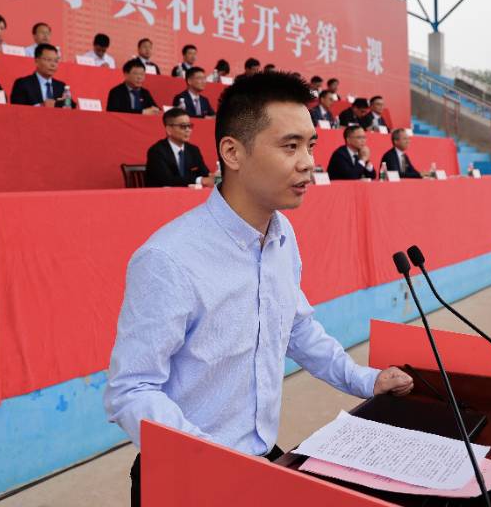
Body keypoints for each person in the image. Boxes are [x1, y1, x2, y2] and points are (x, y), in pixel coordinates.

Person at [105, 71, 413, 507]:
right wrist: (213, 461)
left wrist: (366, 380)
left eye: (310, 146)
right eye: (290, 146)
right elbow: (131, 390)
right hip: (187, 476)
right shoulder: (169, 259)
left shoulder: (282, 234)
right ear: (232, 152)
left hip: (259, 460)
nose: (307, 163)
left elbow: (296, 328)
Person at [144, 108, 214, 187]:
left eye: (189, 126)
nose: (188, 130)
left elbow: (205, 173)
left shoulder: (193, 150)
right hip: (162, 194)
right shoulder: (156, 151)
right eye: (183, 126)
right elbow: (167, 180)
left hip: (190, 193)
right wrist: (199, 180)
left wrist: (214, 177)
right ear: (169, 130)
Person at [10, 44, 76, 109]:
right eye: (49, 60)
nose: (53, 64)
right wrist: (42, 105)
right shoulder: (23, 84)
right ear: (37, 61)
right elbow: (17, 109)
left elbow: (72, 106)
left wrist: (62, 103)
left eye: (56, 61)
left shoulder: (61, 86)